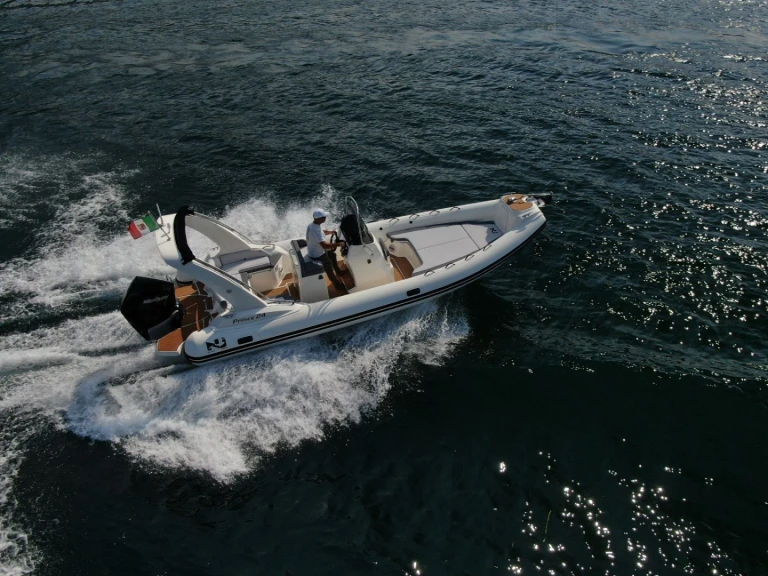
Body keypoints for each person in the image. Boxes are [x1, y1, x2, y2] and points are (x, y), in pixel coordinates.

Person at [306, 209, 346, 291]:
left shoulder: (312, 225)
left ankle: (338, 271)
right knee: (329, 267)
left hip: (313, 250)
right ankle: (337, 285)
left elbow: (321, 231)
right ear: (319, 219)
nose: (325, 218)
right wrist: (339, 244)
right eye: (324, 217)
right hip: (318, 255)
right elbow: (324, 246)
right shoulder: (316, 230)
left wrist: (331, 232)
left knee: (332, 255)